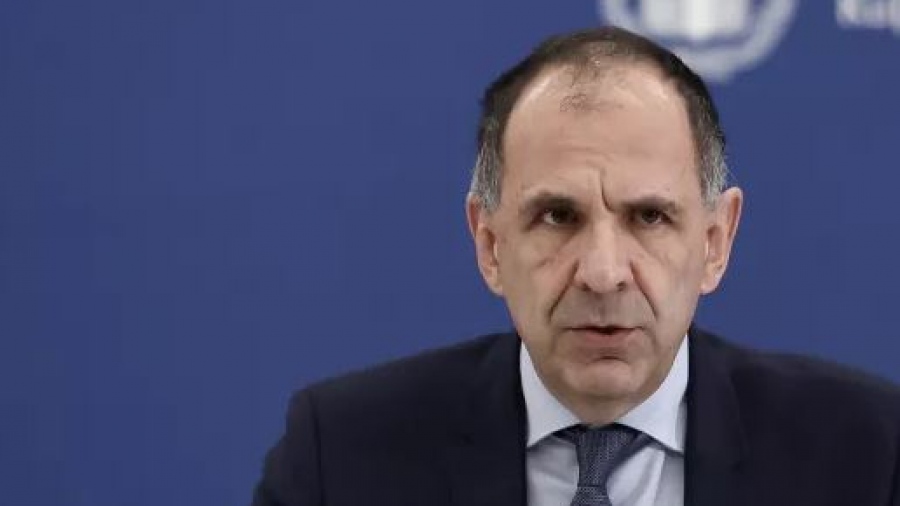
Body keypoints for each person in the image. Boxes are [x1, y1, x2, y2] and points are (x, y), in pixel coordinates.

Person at [251, 26, 900, 506]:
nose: (603, 272)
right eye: (558, 216)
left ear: (715, 242)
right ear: (489, 243)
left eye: (649, 217)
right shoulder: (341, 460)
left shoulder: (868, 456)